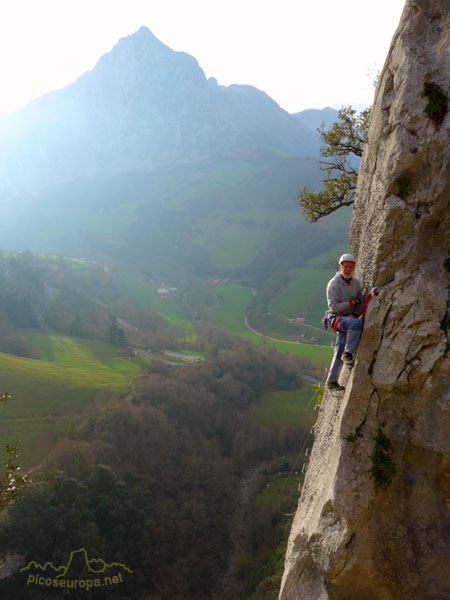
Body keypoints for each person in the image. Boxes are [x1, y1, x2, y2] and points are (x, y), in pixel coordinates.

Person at [325, 253, 364, 392]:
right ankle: (348, 353)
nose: (348, 269)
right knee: (357, 324)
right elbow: (333, 307)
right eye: (345, 266)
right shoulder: (333, 284)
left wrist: (355, 313)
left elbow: (361, 302)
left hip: (350, 317)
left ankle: (331, 381)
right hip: (337, 318)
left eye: (350, 267)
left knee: (338, 350)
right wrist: (351, 303)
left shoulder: (356, 283)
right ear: (340, 266)